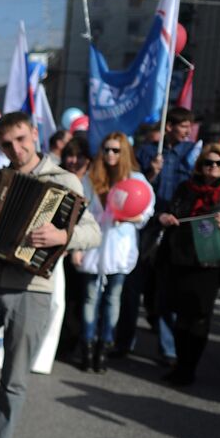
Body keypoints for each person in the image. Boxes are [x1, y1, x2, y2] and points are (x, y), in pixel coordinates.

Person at [0, 111, 100, 438]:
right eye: (7, 143)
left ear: (35, 134)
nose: (17, 149)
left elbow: (93, 232)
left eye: (22, 139)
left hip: (32, 289)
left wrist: (63, 237)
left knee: (15, 376)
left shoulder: (65, 180)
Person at [156, 144, 220, 387]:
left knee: (198, 317)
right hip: (180, 258)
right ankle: (179, 362)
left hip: (208, 264)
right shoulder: (186, 188)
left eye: (219, 164)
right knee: (179, 315)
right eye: (208, 163)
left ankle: (188, 368)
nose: (213, 168)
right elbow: (168, 212)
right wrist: (165, 218)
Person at [120, 108, 202, 364]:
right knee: (132, 288)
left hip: (174, 229)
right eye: (183, 126)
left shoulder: (191, 154)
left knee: (166, 292)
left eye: (189, 127)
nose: (187, 131)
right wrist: (151, 174)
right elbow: (135, 188)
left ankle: (168, 349)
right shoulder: (147, 152)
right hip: (147, 227)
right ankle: (123, 342)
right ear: (169, 127)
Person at [75, 131, 154, 373]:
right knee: (90, 297)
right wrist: (76, 247)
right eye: (107, 149)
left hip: (120, 248)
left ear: (125, 153)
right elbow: (79, 214)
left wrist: (131, 217)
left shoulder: (136, 178)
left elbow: (147, 209)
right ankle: (87, 346)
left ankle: (104, 346)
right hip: (93, 245)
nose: (110, 154)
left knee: (112, 299)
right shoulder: (90, 178)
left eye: (116, 150)